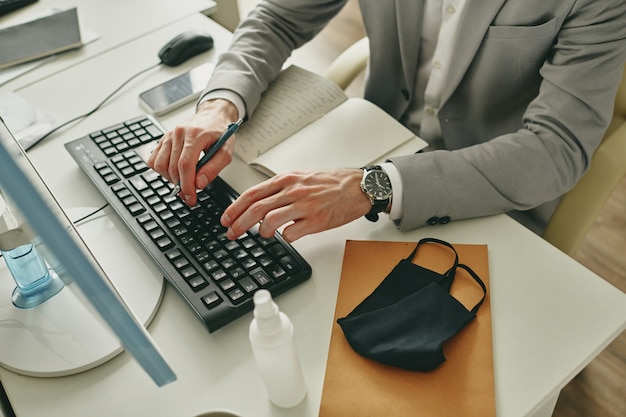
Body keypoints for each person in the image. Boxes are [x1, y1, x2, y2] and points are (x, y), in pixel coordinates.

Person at [148, 0, 626, 243]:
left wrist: (371, 186)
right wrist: (221, 105)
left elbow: (556, 148)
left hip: (491, 189)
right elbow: (278, 18)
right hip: (372, 140)